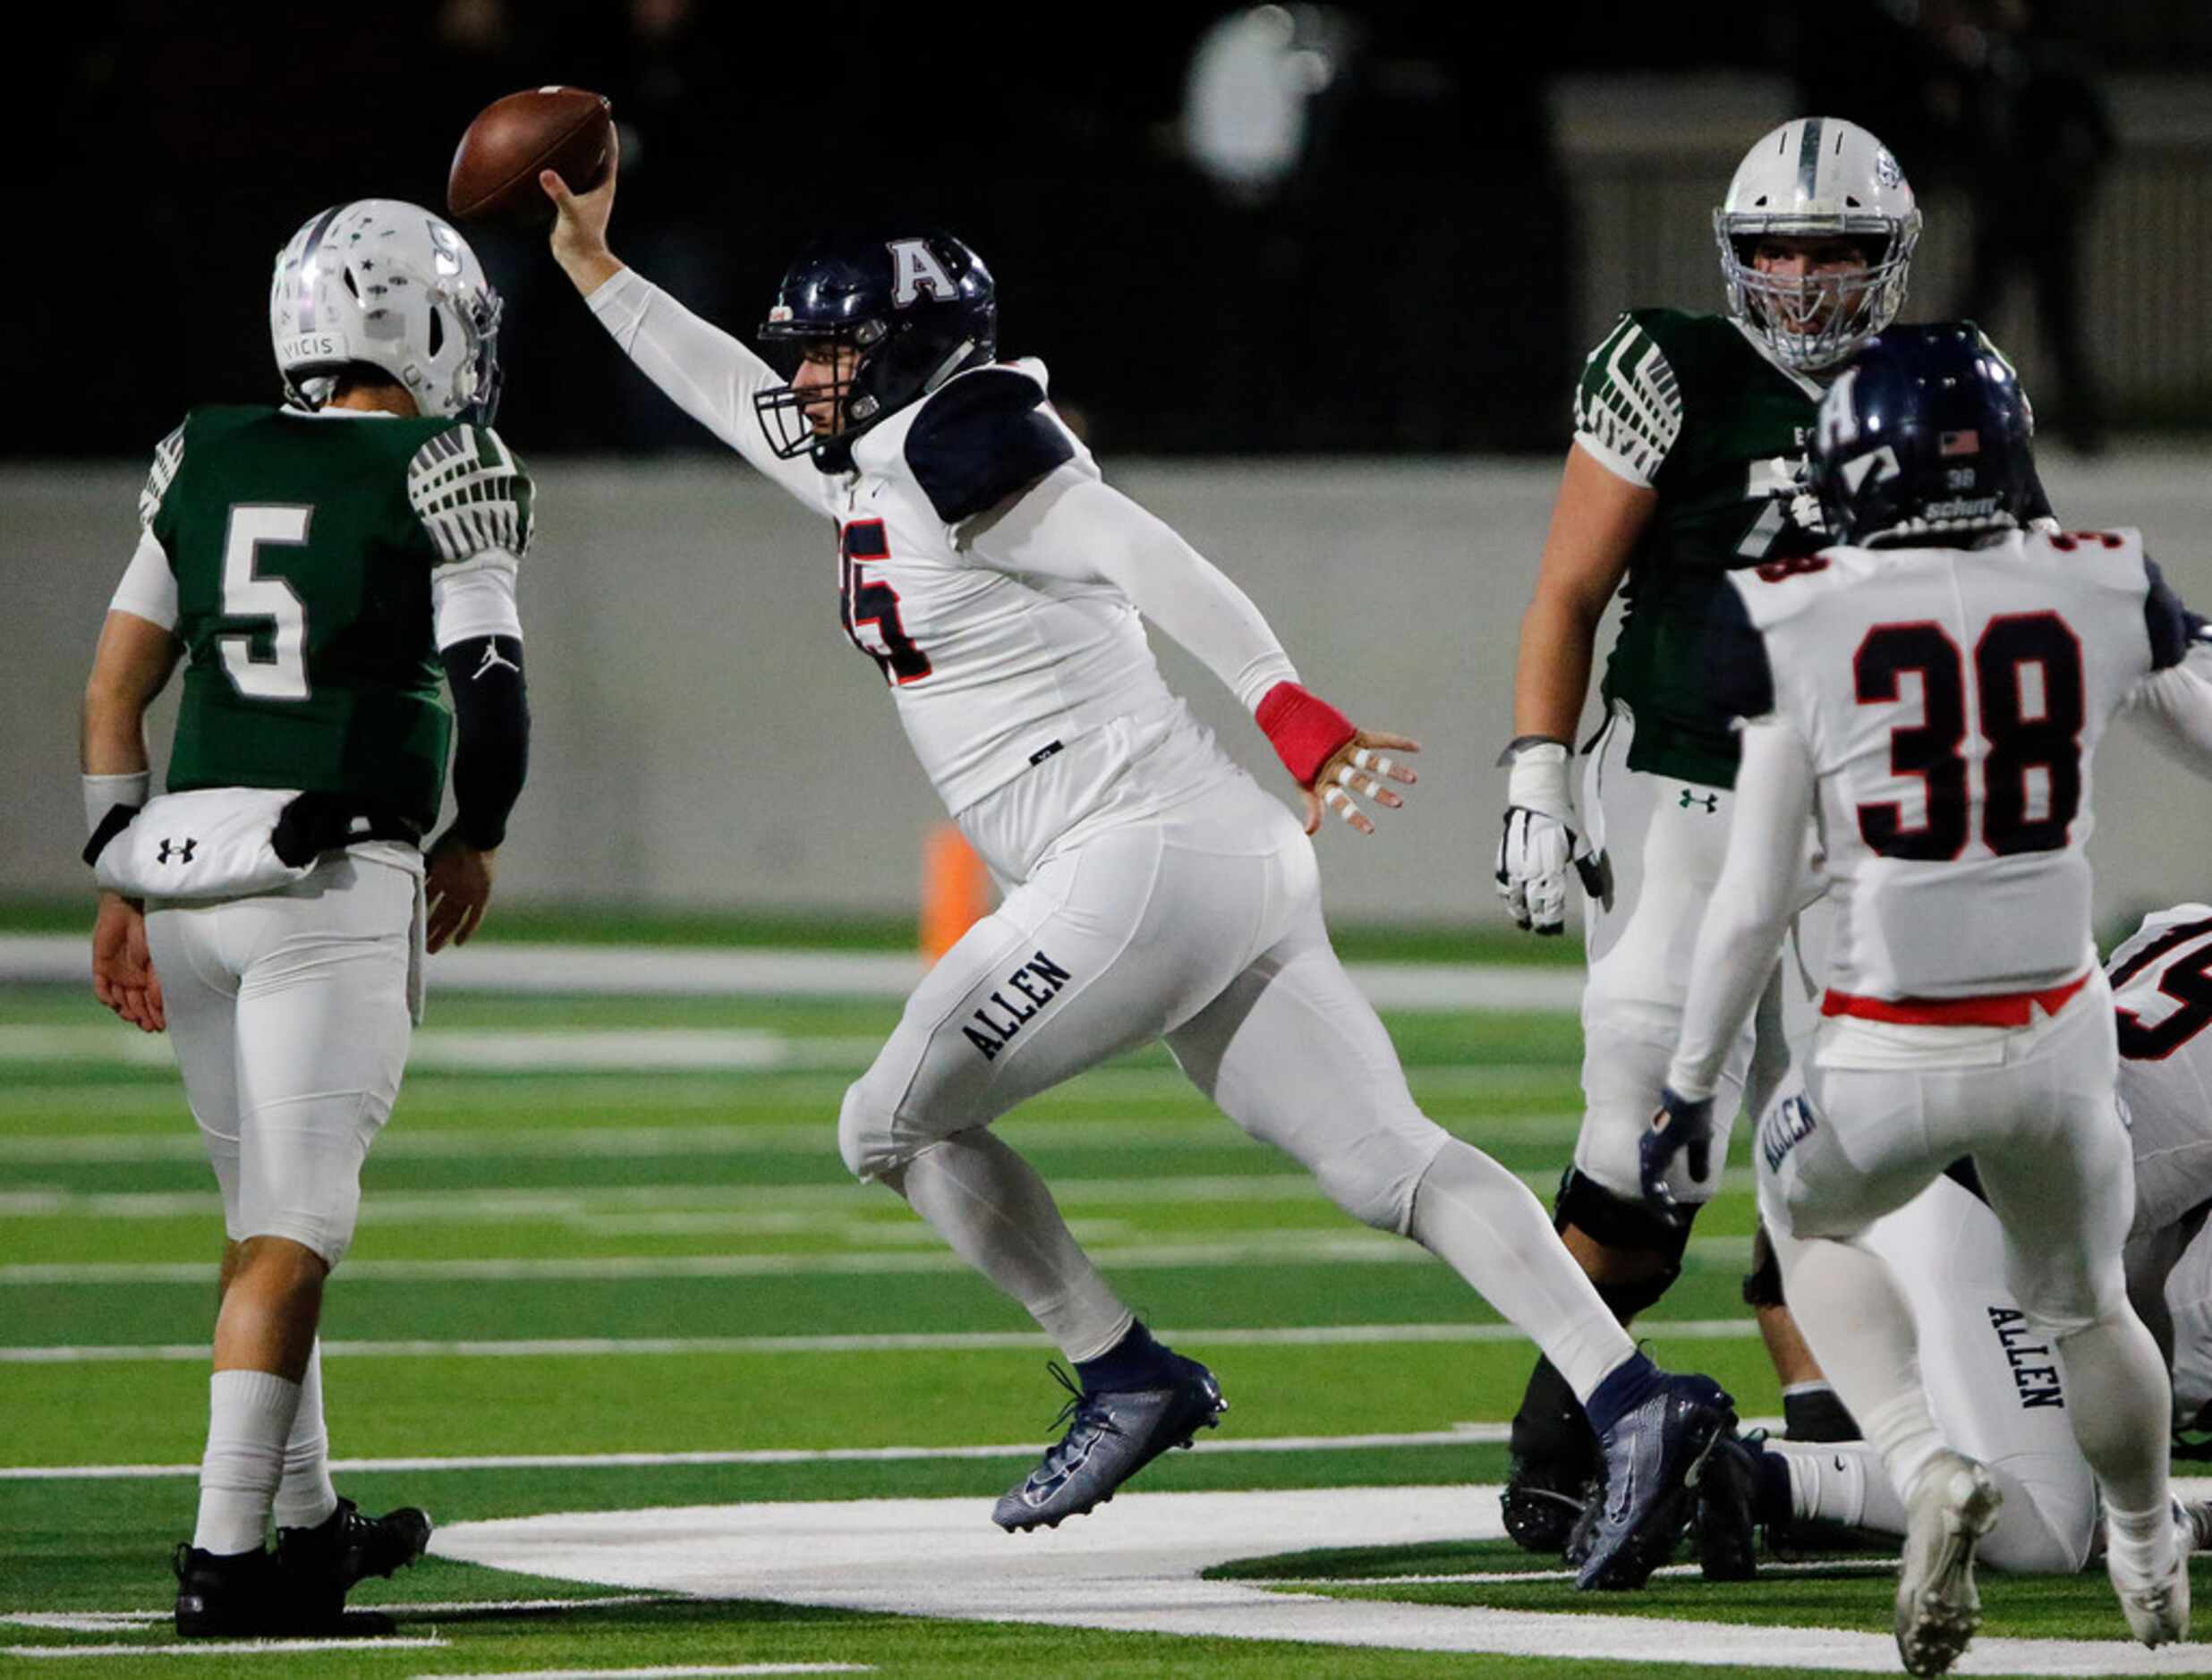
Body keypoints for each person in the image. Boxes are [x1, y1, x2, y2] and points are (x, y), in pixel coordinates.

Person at [537, 145, 1731, 1589]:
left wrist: (1281, 694)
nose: (808, 377)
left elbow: (1132, 542)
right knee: (1388, 1162)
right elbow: (728, 389)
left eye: (836, 351)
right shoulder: (876, 452)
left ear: (906, 351)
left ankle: (1122, 1368)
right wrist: (598, 268)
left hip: (1140, 856)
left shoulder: (953, 431)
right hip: (1208, 856)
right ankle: (1634, 1397)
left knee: (891, 1126)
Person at [1490, 115, 2059, 1548]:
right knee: (1643, 1141)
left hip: (1865, 820)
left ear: (1896, 257)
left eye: (1837, 249)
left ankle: (1818, 1439)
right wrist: (1536, 775)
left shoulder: (1937, 386)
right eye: (1779, 248)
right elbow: (1566, 592)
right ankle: (1570, 1427)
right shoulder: (1669, 365)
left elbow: (2020, 597)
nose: (1803, 277)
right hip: (1688, 785)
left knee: (1851, 1135)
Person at [1644, 323, 2212, 1670]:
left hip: (1892, 1047)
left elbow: (1747, 904)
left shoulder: (1794, 612)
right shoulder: (2103, 579)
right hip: (2062, 1052)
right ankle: (2147, 1541)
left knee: (1801, 1220)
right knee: (2093, 1313)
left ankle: (1913, 1458)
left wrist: (1686, 1088)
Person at [81, 199, 533, 1636]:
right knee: (294, 1233)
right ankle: (225, 1562)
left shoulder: (203, 453)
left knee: (258, 1214)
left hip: (188, 870)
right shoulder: (444, 461)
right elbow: (493, 690)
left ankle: (301, 1520)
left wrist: (116, 868)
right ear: (426, 321)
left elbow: (112, 690)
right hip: (327, 870)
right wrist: (483, 832)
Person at [1697, 902, 2212, 1582]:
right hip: (1980, 1202)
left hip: (1911, 1130)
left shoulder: (2186, 921)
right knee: (2054, 1529)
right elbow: (2193, 1339)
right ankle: (1755, 1474)